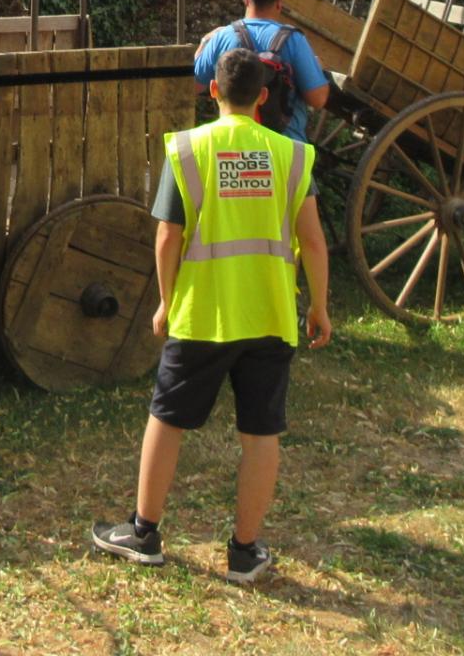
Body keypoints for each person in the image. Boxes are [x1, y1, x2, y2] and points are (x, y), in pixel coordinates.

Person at [91, 47, 333, 584]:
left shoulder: (188, 149)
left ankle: (144, 532)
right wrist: (317, 306)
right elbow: (313, 242)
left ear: (214, 91)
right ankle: (245, 553)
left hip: (202, 316)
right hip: (270, 314)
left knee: (168, 419)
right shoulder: (293, 155)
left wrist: (166, 301)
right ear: (264, 98)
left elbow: (168, 236)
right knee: (261, 432)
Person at [192, 0, 330, 140]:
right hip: (285, 148)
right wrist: (317, 68)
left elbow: (194, 86)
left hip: (235, 146)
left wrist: (204, 42)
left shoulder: (223, 37)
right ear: (279, 3)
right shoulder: (294, 40)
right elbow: (318, 99)